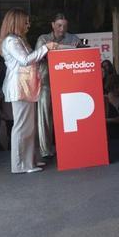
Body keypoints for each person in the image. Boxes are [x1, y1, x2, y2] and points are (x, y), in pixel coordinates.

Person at [0, 9, 58, 174]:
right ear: (16, 22)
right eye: (25, 22)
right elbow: (25, 60)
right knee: (22, 127)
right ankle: (20, 164)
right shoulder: (11, 41)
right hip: (19, 87)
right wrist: (46, 48)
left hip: (26, 87)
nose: (28, 25)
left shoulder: (18, 40)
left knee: (28, 127)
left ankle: (29, 161)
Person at [33, 13, 82, 161]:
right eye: (59, 25)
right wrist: (68, 49)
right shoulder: (43, 39)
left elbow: (80, 54)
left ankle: (70, 146)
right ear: (53, 25)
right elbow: (40, 56)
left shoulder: (74, 38)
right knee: (45, 117)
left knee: (68, 117)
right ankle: (46, 151)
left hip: (67, 83)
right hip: (46, 82)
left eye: (65, 26)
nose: (62, 29)